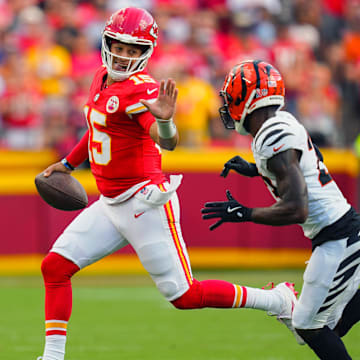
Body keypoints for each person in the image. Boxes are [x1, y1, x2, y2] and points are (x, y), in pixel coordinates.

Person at [36, 9, 298, 360]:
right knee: (54, 266)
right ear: (106, 42)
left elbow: (168, 141)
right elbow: (98, 128)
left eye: (133, 50)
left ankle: (278, 300)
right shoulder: (101, 77)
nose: (123, 55)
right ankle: (52, 357)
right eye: (118, 46)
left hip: (144, 202)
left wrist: (164, 122)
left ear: (145, 53)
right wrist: (68, 164)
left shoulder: (142, 91)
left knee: (185, 296)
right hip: (110, 202)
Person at [202, 59, 360, 359]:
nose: (228, 105)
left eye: (231, 97)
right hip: (339, 232)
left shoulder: (273, 134)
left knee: (308, 326)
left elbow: (296, 209)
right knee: (325, 328)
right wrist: (255, 169)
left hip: (338, 237)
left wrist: (244, 213)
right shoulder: (282, 123)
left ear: (248, 97)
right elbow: (309, 163)